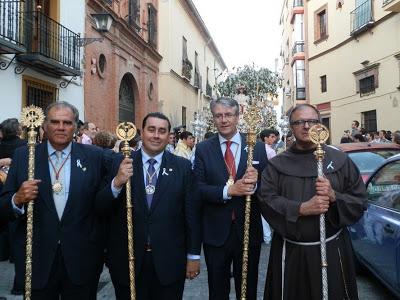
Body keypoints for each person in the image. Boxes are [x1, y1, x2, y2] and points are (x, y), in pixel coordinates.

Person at [258, 104, 368, 299]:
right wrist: (300, 208)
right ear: (291, 127)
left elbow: (359, 201)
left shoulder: (340, 160)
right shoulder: (277, 164)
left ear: (320, 125)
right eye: (299, 122)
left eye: (312, 121)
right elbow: (266, 201)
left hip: (332, 250)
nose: (306, 126)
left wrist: (335, 196)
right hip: (291, 253)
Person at [0, 102, 105, 299]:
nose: (61, 127)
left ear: (75, 127)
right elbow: (3, 207)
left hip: (82, 259)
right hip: (36, 259)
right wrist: (18, 198)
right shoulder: (24, 156)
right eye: (55, 122)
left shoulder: (94, 156)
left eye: (67, 122)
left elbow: (107, 198)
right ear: (44, 125)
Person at [95, 112, 201, 300]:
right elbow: (100, 207)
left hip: (169, 260)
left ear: (169, 136)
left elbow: (191, 214)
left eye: (162, 131)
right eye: (151, 130)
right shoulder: (118, 162)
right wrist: (117, 182)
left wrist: (193, 255)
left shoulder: (182, 167)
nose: (156, 135)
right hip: (127, 259)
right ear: (142, 133)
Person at [193, 97, 267, 300]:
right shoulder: (203, 149)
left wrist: (256, 184)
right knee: (217, 290)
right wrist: (229, 191)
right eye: (218, 115)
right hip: (215, 232)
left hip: (248, 229)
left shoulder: (256, 147)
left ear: (237, 117)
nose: (224, 120)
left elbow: (268, 189)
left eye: (228, 115)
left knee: (248, 288)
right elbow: (197, 189)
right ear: (213, 119)